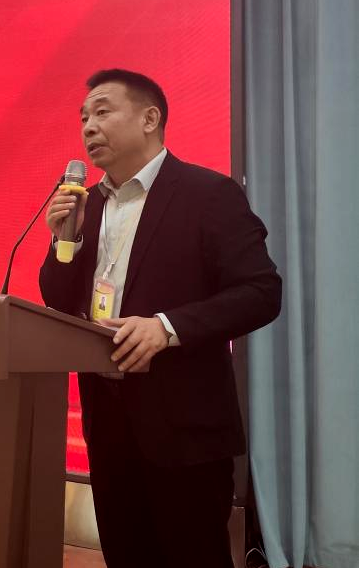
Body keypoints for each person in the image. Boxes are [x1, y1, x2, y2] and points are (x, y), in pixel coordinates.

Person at [39, 69, 282, 567]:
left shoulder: (207, 194)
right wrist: (66, 239)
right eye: (83, 117)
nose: (88, 126)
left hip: (184, 428)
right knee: (127, 555)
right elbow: (59, 302)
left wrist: (167, 327)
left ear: (150, 119)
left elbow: (261, 292)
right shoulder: (88, 203)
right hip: (108, 425)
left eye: (102, 111)